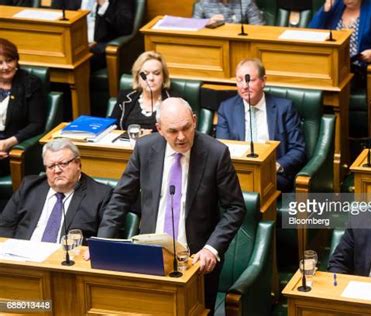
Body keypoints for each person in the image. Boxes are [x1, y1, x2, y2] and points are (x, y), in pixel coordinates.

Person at [98, 97, 246, 313]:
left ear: (195, 120)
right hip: (149, 254)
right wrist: (103, 241)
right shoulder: (144, 148)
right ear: (159, 129)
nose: (181, 137)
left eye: (186, 128)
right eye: (172, 131)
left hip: (197, 260)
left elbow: (235, 208)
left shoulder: (216, 153)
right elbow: (121, 197)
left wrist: (211, 249)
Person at [216, 58, 306, 192]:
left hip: (274, 175)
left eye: (250, 80)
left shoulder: (284, 108)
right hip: (238, 174)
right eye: (239, 80)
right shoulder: (226, 108)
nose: (244, 86)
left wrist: (276, 166)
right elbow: (222, 148)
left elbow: (298, 149)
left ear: (263, 81)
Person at [0, 139, 113, 242]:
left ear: (78, 163)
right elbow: (4, 226)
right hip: (21, 256)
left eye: (63, 164)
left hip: (66, 259)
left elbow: (105, 240)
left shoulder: (100, 195)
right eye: (51, 166)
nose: (57, 170)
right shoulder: (29, 187)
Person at [308, 0, 371, 87]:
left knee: (323, 81)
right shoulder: (335, 4)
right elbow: (312, 33)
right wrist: (325, 11)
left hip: (354, 67)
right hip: (328, 64)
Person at [0, 38, 46, 176]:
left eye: (9, 60)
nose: (5, 67)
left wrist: (8, 143)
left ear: (16, 60)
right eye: (0, 63)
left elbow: (36, 124)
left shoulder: (29, 83)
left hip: (10, 149)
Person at [51, 0, 134, 71]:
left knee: (77, 59)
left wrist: (104, 5)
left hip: (99, 47)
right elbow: (53, 17)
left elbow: (125, 28)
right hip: (69, 44)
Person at [109, 51, 176, 132]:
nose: (151, 78)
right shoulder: (125, 97)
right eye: (145, 74)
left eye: (156, 73)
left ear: (164, 77)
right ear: (137, 77)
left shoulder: (175, 101)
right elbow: (111, 128)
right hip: (127, 144)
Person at [193, 0, 265, 25]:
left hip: (239, 42)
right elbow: (193, 26)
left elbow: (258, 27)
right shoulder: (203, 3)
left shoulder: (246, 2)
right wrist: (207, 23)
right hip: (212, 43)